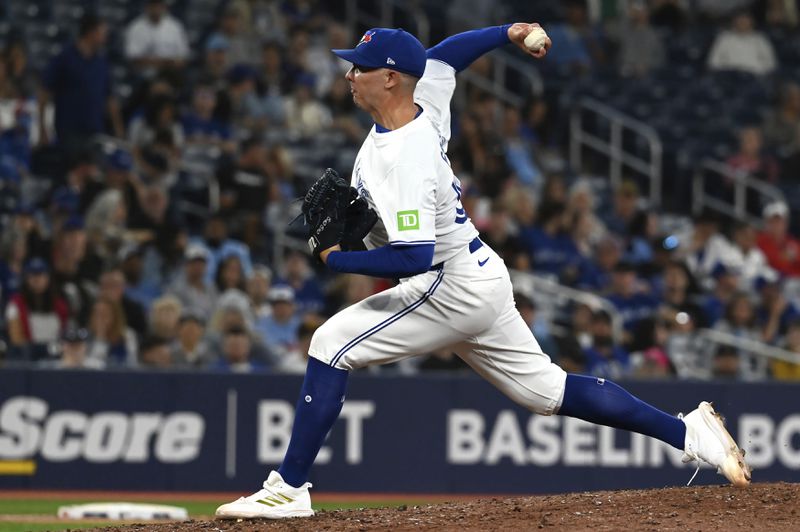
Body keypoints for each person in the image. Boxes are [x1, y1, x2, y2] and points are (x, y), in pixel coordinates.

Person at [216, 23, 750, 520]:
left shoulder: (405, 158)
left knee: (332, 342)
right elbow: (445, 56)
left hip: (449, 284)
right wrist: (508, 31)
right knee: (548, 391)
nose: (349, 74)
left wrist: (337, 258)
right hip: (480, 275)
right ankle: (689, 434)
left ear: (390, 78)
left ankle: (289, 488)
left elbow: (413, 258)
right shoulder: (423, 97)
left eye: (359, 66)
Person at [39, 13, 123, 154]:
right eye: (102, 32)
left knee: (96, 173)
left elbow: (110, 98)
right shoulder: (65, 58)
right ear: (91, 32)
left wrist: (119, 128)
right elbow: (44, 93)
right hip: (70, 132)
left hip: (96, 132)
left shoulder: (101, 62)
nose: (105, 37)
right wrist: (42, 128)